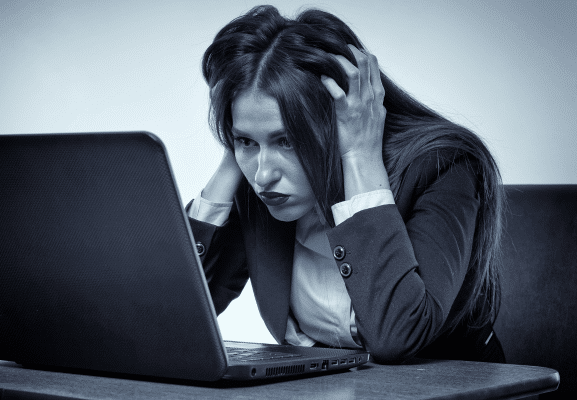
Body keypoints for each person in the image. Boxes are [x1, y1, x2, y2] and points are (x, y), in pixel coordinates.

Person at [186, 5, 505, 363]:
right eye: (247, 142)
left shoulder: (442, 165)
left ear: (344, 120)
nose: (263, 175)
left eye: (287, 140)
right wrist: (232, 156)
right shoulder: (261, 186)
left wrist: (358, 157)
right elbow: (177, 319)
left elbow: (398, 335)